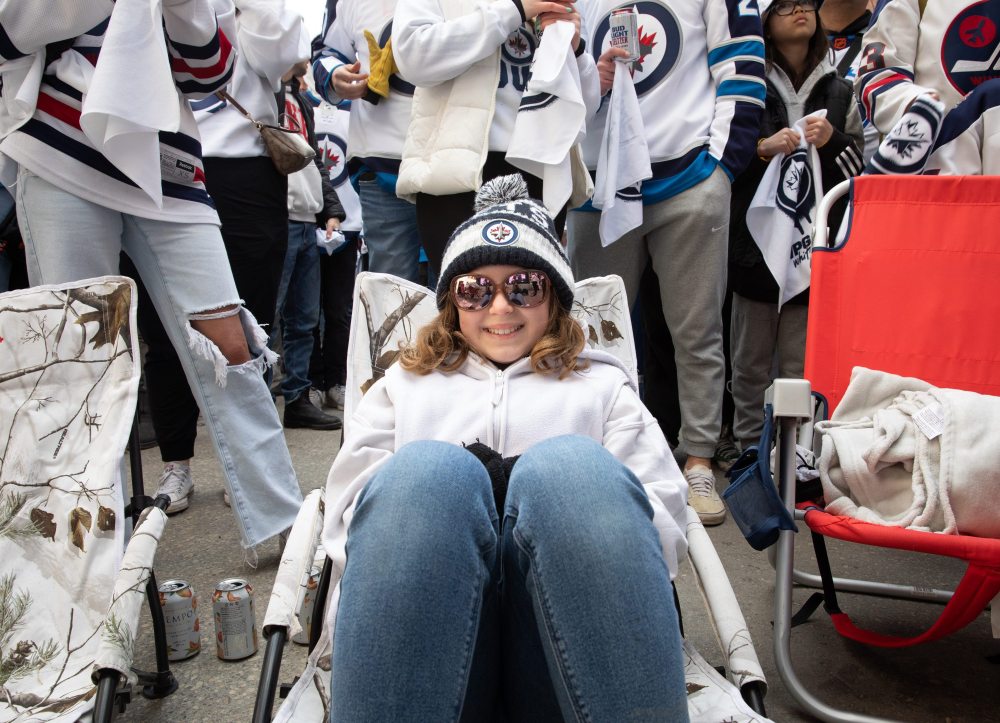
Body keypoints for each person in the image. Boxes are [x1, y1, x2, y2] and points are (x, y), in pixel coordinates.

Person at [323, 174, 689, 721]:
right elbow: (352, 529)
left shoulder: (602, 386)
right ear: (451, 301)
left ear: (555, 299)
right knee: (426, 474)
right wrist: (458, 504)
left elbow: (660, 531)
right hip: (432, 646)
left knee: (570, 469)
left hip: (565, 650)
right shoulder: (403, 386)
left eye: (524, 286)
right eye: (475, 289)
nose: (500, 307)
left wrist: (545, 501)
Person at [0, 0, 303, 551]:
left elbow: (209, 71)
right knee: (81, 361)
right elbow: (11, 29)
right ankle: (88, 551)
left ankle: (287, 531)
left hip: (171, 163)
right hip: (61, 148)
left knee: (230, 344)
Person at [571, 0, 766, 526]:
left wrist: (721, 167)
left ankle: (698, 459)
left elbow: (743, 67)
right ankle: (588, 453)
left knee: (696, 329)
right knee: (585, 332)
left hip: (688, 175)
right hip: (599, 181)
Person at [129, 0, 310, 513]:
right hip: (165, 159)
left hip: (247, 164)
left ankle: (249, 471)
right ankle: (177, 465)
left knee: (248, 327)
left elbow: (283, 51)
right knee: (165, 329)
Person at [728, 0, 864, 452]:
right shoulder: (746, 84)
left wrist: (834, 142)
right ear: (765, 20)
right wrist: (763, 148)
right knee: (749, 361)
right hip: (753, 245)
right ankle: (749, 447)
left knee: (799, 361)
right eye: (784, 5)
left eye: (805, 3)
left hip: (815, 247)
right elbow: (723, 159)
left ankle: (797, 453)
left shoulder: (841, 88)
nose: (798, 11)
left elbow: (861, 171)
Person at [391, 0, 600, 270]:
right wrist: (515, 9)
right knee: (465, 299)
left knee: (533, 302)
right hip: (458, 179)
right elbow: (413, 57)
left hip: (540, 173)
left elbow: (584, 112)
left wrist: (577, 50)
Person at [313, 0, 425, 283]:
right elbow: (326, 52)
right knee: (391, 293)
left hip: (460, 160)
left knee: (464, 287)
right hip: (384, 165)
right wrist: (337, 74)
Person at [272, 61, 345, 430]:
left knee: (303, 321)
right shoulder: (260, 92)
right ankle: (259, 404)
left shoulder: (300, 103)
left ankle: (297, 399)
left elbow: (315, 161)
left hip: (304, 220)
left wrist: (330, 209)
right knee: (266, 321)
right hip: (272, 217)